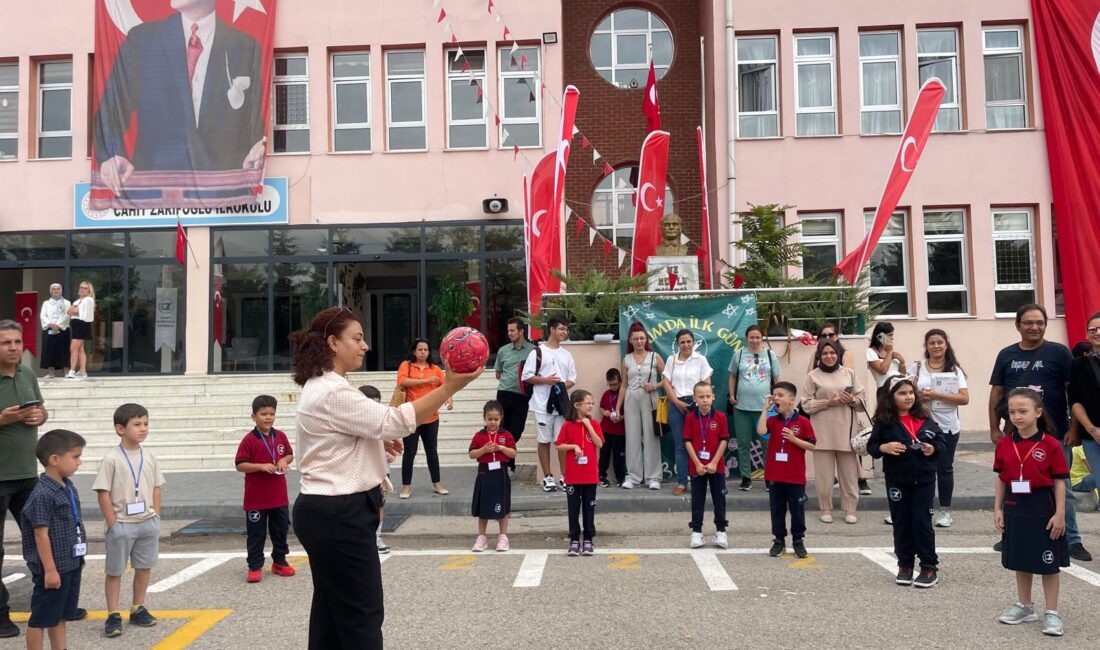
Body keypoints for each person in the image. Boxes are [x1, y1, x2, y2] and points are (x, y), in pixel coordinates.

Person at [291, 307, 481, 648]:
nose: (365, 346)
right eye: (357, 338)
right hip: (338, 514)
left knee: (332, 615)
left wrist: (373, 438)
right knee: (362, 617)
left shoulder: (324, 386)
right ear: (333, 343)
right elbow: (395, 420)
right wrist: (449, 385)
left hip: (326, 512)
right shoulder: (333, 391)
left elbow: (351, 433)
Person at [93, 0, 266, 197]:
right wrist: (111, 154)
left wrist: (255, 147)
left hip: (223, 194)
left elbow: (255, 116)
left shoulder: (243, 45)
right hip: (152, 192)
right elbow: (112, 106)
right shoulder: (144, 40)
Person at [989, 304, 1090, 561]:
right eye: (1028, 323)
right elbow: (997, 393)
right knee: (1015, 483)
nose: (1035, 327)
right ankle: (1010, 532)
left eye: (1040, 323)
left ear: (1045, 325)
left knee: (1062, 486)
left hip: (1055, 433)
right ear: (1018, 325)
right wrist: (993, 428)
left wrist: (1073, 427)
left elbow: (1073, 393)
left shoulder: (1059, 353)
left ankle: (1072, 539)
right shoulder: (1006, 355)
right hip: (1015, 434)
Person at [994, 388, 1069, 637]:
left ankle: (1052, 612)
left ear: (1038, 412)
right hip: (1015, 504)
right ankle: (1025, 606)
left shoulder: (1051, 445)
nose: (1016, 416)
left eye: (1023, 411)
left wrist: (1060, 514)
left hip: (1042, 505)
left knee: (1049, 563)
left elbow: (1059, 481)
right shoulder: (1005, 444)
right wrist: (998, 508)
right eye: (1012, 412)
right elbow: (1002, 479)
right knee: (1021, 558)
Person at [94, 403, 165, 638]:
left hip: (147, 521)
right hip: (122, 524)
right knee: (115, 570)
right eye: (137, 424)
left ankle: (138, 607)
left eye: (145, 424)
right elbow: (103, 492)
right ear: (120, 429)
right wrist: (113, 523)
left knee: (144, 567)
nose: (143, 429)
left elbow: (156, 486)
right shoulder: (112, 458)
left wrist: (156, 513)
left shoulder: (150, 455)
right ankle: (113, 614)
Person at [0, 319, 52, 639]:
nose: (14, 348)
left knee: (40, 543)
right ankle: (1, 615)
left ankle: (47, 602)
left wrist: (39, 416)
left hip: (27, 476)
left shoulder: (28, 374)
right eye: (6, 342)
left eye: (17, 342)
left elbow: (42, 410)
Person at [867, 377, 945, 588]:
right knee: (901, 523)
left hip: (924, 480)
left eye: (911, 392)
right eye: (902, 393)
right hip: (897, 480)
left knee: (921, 523)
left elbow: (941, 443)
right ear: (891, 397)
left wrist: (932, 448)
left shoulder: (924, 418)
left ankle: (929, 567)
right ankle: (905, 565)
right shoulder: (885, 422)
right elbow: (872, 446)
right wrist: (885, 448)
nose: (908, 397)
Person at [19, 429, 86, 650]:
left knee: (60, 615)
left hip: (69, 562)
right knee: (42, 617)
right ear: (55, 460)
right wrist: (49, 570)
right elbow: (40, 533)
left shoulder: (67, 486)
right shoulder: (42, 494)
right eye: (75, 457)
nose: (80, 462)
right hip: (54, 567)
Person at [907, 329, 969, 528]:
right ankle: (916, 508)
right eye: (931, 343)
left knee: (944, 469)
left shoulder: (954, 371)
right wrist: (917, 395)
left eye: (939, 342)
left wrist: (936, 395)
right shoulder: (916, 368)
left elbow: (964, 398)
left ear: (946, 344)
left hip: (947, 427)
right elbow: (902, 392)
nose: (936, 346)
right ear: (926, 346)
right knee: (918, 467)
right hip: (920, 425)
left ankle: (944, 511)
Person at [802, 339, 865, 524]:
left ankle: (850, 509)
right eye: (825, 354)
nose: (829, 357)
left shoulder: (849, 373)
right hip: (821, 431)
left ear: (838, 354)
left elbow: (863, 402)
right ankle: (825, 508)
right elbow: (805, 405)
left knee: (849, 475)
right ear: (819, 356)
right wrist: (828, 403)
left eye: (833, 353)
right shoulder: (812, 376)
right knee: (824, 476)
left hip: (847, 430)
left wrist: (851, 400)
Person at [234, 394, 295, 584]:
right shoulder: (249, 440)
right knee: (256, 533)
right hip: (256, 499)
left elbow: (290, 454)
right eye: (263, 414)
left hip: (278, 497)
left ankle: (279, 561)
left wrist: (284, 460)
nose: (268, 417)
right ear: (253, 417)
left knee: (280, 531)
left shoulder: (281, 436)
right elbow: (240, 464)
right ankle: (254, 566)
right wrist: (260, 466)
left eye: (271, 414)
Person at [759, 382, 816, 559]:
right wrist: (764, 409)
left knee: (797, 510)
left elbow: (812, 445)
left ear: (791, 400)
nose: (776, 398)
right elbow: (761, 431)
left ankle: (798, 541)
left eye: (780, 395)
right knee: (777, 509)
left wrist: (794, 439)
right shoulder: (772, 420)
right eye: (774, 395)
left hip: (795, 476)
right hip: (775, 475)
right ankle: (778, 540)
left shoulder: (803, 422)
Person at [521, 316, 577, 493]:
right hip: (541, 404)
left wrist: (559, 388)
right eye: (561, 329)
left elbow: (572, 379)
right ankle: (547, 477)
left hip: (560, 406)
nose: (564, 332)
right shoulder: (537, 352)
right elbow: (526, 376)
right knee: (544, 440)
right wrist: (546, 381)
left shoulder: (566, 354)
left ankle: (565, 476)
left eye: (566, 329)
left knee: (562, 442)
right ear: (552, 329)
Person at [728, 325, 781, 492]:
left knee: (767, 444)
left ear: (762, 338)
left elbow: (777, 378)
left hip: (765, 408)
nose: (754, 340)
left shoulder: (771, 355)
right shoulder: (740, 354)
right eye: (751, 337)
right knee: (743, 443)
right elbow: (733, 375)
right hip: (741, 407)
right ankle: (746, 478)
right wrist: (732, 395)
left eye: (758, 337)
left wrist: (779, 398)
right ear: (746, 338)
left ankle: (769, 477)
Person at [396, 339, 451, 499]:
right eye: (419, 349)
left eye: (426, 350)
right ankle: (406, 487)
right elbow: (402, 381)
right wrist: (425, 381)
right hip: (411, 416)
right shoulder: (406, 365)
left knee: (432, 452)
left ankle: (437, 483)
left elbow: (445, 385)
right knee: (409, 453)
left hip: (431, 416)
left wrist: (449, 398)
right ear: (414, 351)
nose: (423, 352)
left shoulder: (434, 369)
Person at [662, 329, 714, 496]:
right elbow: (666, 383)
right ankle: (682, 482)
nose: (685, 345)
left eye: (688, 341)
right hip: (676, 405)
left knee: (700, 443)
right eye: (682, 342)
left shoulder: (701, 360)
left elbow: (706, 382)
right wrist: (675, 401)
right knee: (680, 446)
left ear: (694, 342)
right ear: (677, 344)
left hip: (696, 405)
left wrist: (700, 402)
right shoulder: (672, 360)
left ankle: (699, 480)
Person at [615, 322, 664, 490]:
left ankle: (653, 477)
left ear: (646, 339)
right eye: (635, 338)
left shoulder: (655, 356)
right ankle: (633, 476)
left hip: (650, 398)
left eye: (642, 338)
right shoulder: (626, 359)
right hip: (631, 398)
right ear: (630, 340)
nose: (639, 341)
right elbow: (623, 385)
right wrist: (617, 407)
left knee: (651, 436)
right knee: (632, 437)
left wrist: (656, 386)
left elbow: (667, 379)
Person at [555, 390, 604, 556]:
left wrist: (588, 425)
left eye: (592, 403)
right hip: (573, 477)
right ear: (577, 405)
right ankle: (574, 539)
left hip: (590, 476)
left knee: (589, 509)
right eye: (587, 403)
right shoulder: (567, 426)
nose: (591, 406)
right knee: (573, 509)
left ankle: (588, 539)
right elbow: (559, 445)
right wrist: (573, 447)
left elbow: (599, 444)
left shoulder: (595, 424)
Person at [683, 382, 729, 549]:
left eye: (708, 396)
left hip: (716, 466)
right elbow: (687, 442)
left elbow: (724, 440)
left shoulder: (721, 417)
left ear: (713, 397)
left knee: (719, 498)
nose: (705, 400)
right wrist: (697, 463)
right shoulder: (690, 417)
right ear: (695, 398)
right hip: (697, 467)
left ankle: (721, 531)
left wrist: (714, 462)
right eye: (701, 397)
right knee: (697, 498)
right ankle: (696, 532)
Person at [469, 400, 516, 553]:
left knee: (502, 505)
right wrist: (483, 450)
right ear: (484, 418)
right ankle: (481, 537)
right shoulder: (479, 435)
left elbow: (513, 453)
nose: (493, 422)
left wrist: (501, 448)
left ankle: (503, 536)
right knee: (483, 505)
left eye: (496, 419)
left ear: (501, 418)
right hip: (484, 472)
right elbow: (471, 454)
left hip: (500, 473)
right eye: (490, 419)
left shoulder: (506, 435)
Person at [1068, 311, 1100, 517]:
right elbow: (1075, 401)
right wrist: (1092, 429)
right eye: (1092, 329)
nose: (1097, 332)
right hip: (1092, 437)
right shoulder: (1078, 365)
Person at [494, 317, 535, 471]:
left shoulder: (533, 350)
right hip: (504, 393)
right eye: (508, 330)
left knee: (517, 430)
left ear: (521, 331)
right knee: (502, 428)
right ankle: (506, 463)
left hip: (522, 395)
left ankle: (506, 458)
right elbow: (498, 374)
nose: (509, 333)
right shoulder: (503, 350)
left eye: (513, 330)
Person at [358, 385, 393, 554]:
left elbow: (390, 444)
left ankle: (376, 537)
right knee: (359, 506)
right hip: (359, 473)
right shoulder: (353, 422)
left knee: (379, 505)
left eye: (377, 404)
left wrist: (389, 454)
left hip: (380, 472)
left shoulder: (383, 422)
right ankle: (362, 538)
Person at [598, 368, 626, 487]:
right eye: (610, 385)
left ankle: (620, 478)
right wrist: (605, 413)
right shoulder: (606, 393)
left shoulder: (625, 393)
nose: (613, 387)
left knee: (618, 455)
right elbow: (601, 407)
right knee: (604, 453)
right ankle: (602, 476)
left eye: (615, 384)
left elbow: (630, 411)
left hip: (619, 430)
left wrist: (621, 417)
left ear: (620, 381)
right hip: (605, 429)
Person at [38, 284, 71, 379]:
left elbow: (67, 315)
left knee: (64, 350)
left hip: (63, 329)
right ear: (50, 291)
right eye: (54, 289)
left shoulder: (67, 302)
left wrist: (58, 325)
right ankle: (51, 373)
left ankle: (66, 372)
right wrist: (50, 324)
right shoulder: (46, 303)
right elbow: (42, 316)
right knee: (49, 350)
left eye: (58, 289)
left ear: (61, 291)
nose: (56, 291)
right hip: (49, 328)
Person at [66, 281, 95, 379]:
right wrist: (74, 310)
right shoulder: (77, 301)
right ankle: (82, 371)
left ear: (89, 290)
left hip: (82, 324)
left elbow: (75, 311)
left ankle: (72, 370)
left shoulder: (88, 300)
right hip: (76, 324)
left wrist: (74, 310)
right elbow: (69, 311)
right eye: (81, 287)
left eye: (85, 288)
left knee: (73, 348)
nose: (82, 289)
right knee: (80, 349)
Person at [1069, 446, 1098, 510]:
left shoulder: (1079, 448)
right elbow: (1093, 469)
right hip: (1078, 482)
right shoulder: (1080, 448)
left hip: (1081, 480)